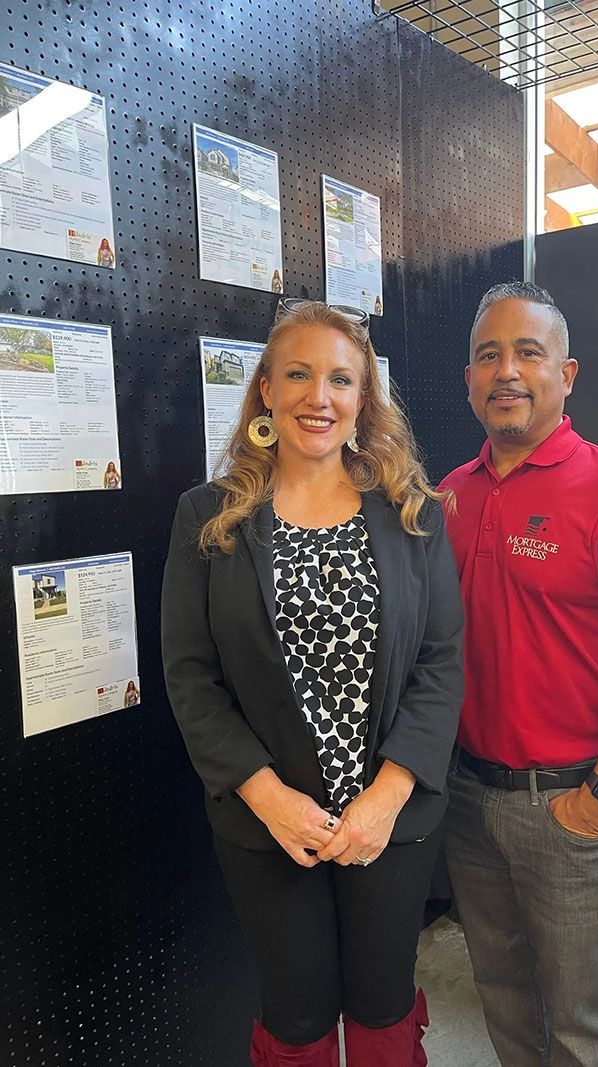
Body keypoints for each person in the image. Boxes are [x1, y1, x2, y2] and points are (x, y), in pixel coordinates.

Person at [162, 299, 463, 1067]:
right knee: (295, 1018)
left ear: (363, 399)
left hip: (391, 819)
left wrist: (387, 795)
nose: (317, 397)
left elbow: (441, 661)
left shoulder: (411, 514)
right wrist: (269, 797)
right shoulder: (210, 518)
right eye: (297, 374)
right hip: (268, 824)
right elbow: (192, 678)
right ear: (266, 387)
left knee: (382, 1005)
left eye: (340, 379)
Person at [440, 281, 598, 1067]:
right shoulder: (451, 495)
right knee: (503, 996)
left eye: (529, 352)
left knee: (582, 1024)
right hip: (468, 799)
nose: (507, 371)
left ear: (567, 373)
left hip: (570, 806)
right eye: (490, 355)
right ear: (469, 379)